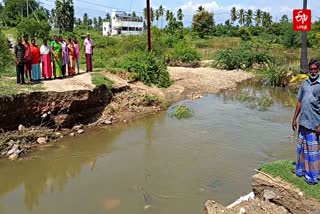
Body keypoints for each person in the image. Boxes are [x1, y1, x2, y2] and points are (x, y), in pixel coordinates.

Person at [292, 59, 320, 184]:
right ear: (309, 69)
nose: (313, 71)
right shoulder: (305, 84)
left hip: (314, 124)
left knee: (313, 152)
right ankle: (301, 171)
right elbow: (299, 102)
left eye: (315, 69)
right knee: (302, 148)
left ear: (318, 70)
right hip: (303, 122)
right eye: (311, 69)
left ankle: (313, 176)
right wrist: (294, 119)